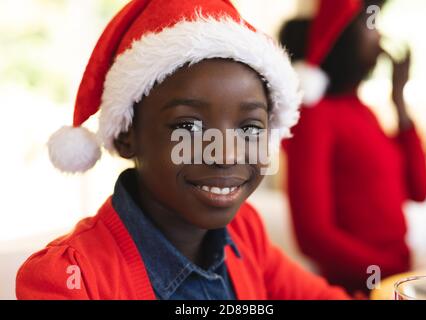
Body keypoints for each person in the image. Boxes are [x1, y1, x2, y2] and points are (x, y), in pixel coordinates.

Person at [15, 0, 349, 300]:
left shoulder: (244, 232)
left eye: (249, 128)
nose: (227, 155)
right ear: (127, 134)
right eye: (188, 127)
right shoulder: (69, 280)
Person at [280, 0, 426, 293]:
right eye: (370, 23)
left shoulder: (366, 112)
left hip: (394, 280)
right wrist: (387, 270)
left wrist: (399, 102)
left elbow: (419, 190)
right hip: (355, 289)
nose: (380, 35)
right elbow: (312, 235)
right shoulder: (315, 116)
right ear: (341, 34)